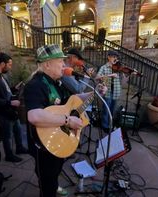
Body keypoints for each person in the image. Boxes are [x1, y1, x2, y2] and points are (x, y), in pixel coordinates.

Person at [24, 44, 101, 197]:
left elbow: (71, 102)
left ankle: (52, 185)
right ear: (47, 64)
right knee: (47, 183)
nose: (64, 65)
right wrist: (67, 120)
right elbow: (33, 116)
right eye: (60, 61)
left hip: (57, 140)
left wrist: (95, 92)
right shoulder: (35, 85)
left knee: (54, 173)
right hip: (43, 147)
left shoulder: (56, 83)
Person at [0, 52, 28, 163]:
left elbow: (5, 92)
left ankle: (19, 148)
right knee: (7, 135)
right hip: (4, 112)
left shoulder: (0, 76)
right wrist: (10, 103)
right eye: (9, 64)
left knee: (18, 130)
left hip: (11, 111)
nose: (10, 67)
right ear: (2, 63)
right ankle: (9, 155)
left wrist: (14, 88)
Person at [95, 50, 122, 132]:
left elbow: (122, 81)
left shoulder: (118, 68)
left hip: (116, 92)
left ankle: (110, 125)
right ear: (108, 57)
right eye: (113, 57)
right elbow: (97, 77)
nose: (115, 58)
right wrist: (110, 75)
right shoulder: (104, 67)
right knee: (106, 110)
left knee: (112, 110)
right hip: (107, 91)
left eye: (116, 57)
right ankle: (105, 126)